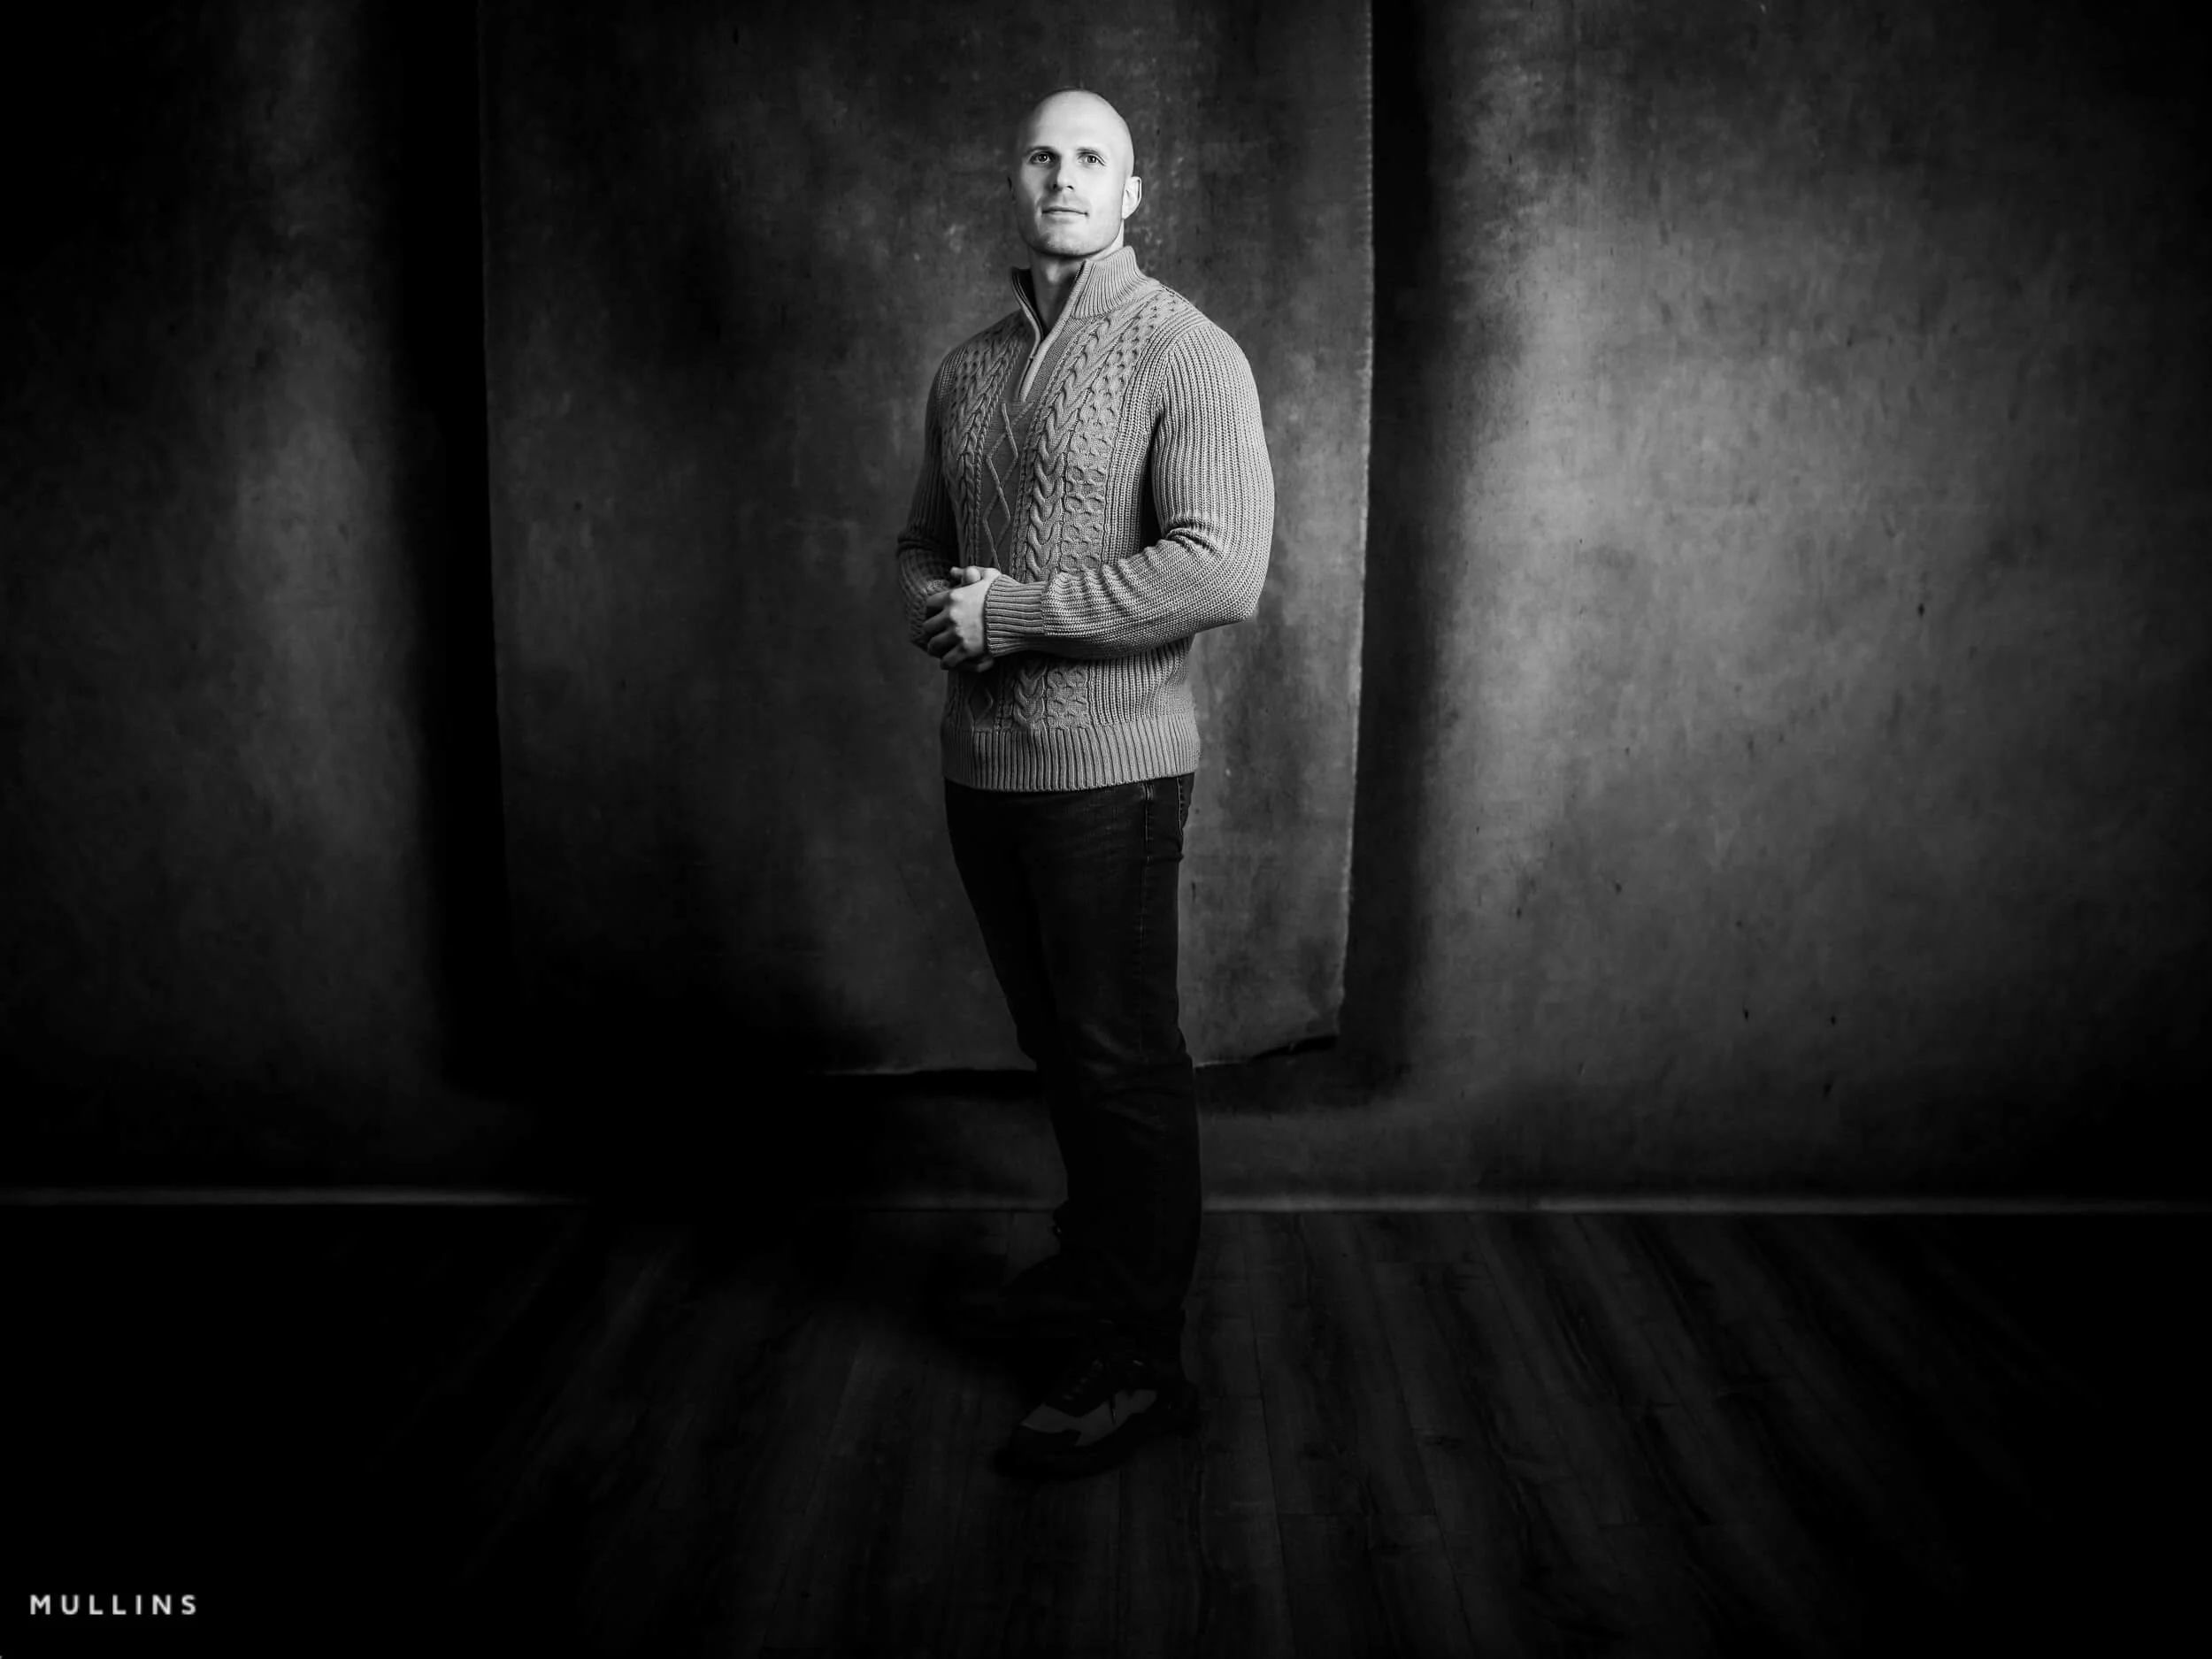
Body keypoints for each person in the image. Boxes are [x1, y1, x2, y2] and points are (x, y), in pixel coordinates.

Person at [894, 87, 1274, 1479]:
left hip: (1111, 780)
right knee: (1063, 1052)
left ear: (1135, 193)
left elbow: (1221, 567)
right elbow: (923, 543)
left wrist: (1017, 612)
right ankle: (1099, 1267)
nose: (1064, 175)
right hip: (981, 771)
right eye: (1043, 154)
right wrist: (940, 604)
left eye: (1092, 158)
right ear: (1017, 179)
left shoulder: (1188, 351)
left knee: (1122, 1062)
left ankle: (1138, 1360)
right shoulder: (970, 368)